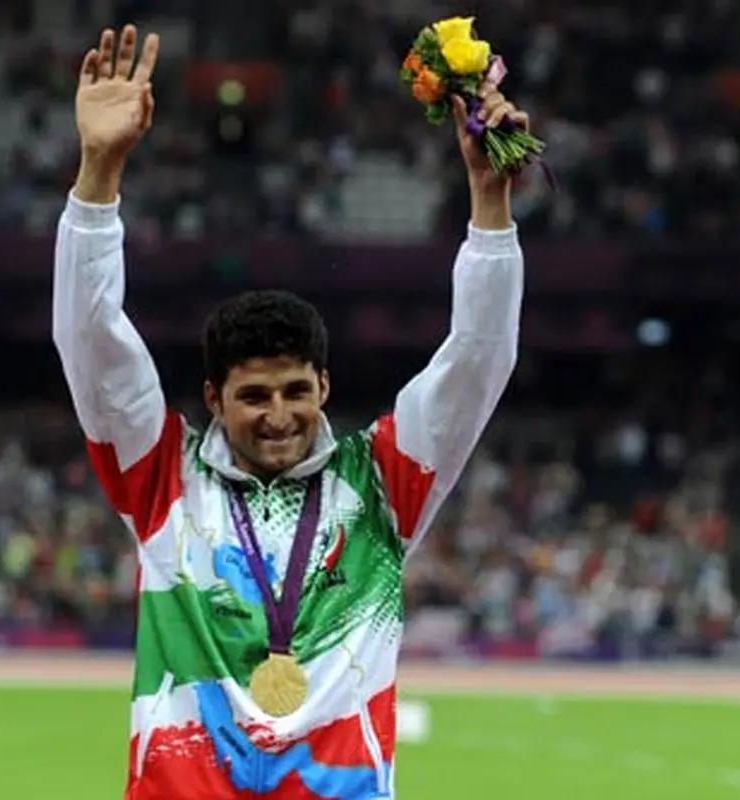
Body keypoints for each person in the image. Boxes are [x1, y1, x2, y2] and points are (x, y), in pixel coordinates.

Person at [54, 24, 526, 800]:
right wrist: (98, 176)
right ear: (214, 399)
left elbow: (478, 360)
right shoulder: (162, 480)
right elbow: (89, 339)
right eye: (253, 396)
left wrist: (489, 203)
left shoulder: (382, 486)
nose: (279, 415)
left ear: (324, 388)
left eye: (295, 391)